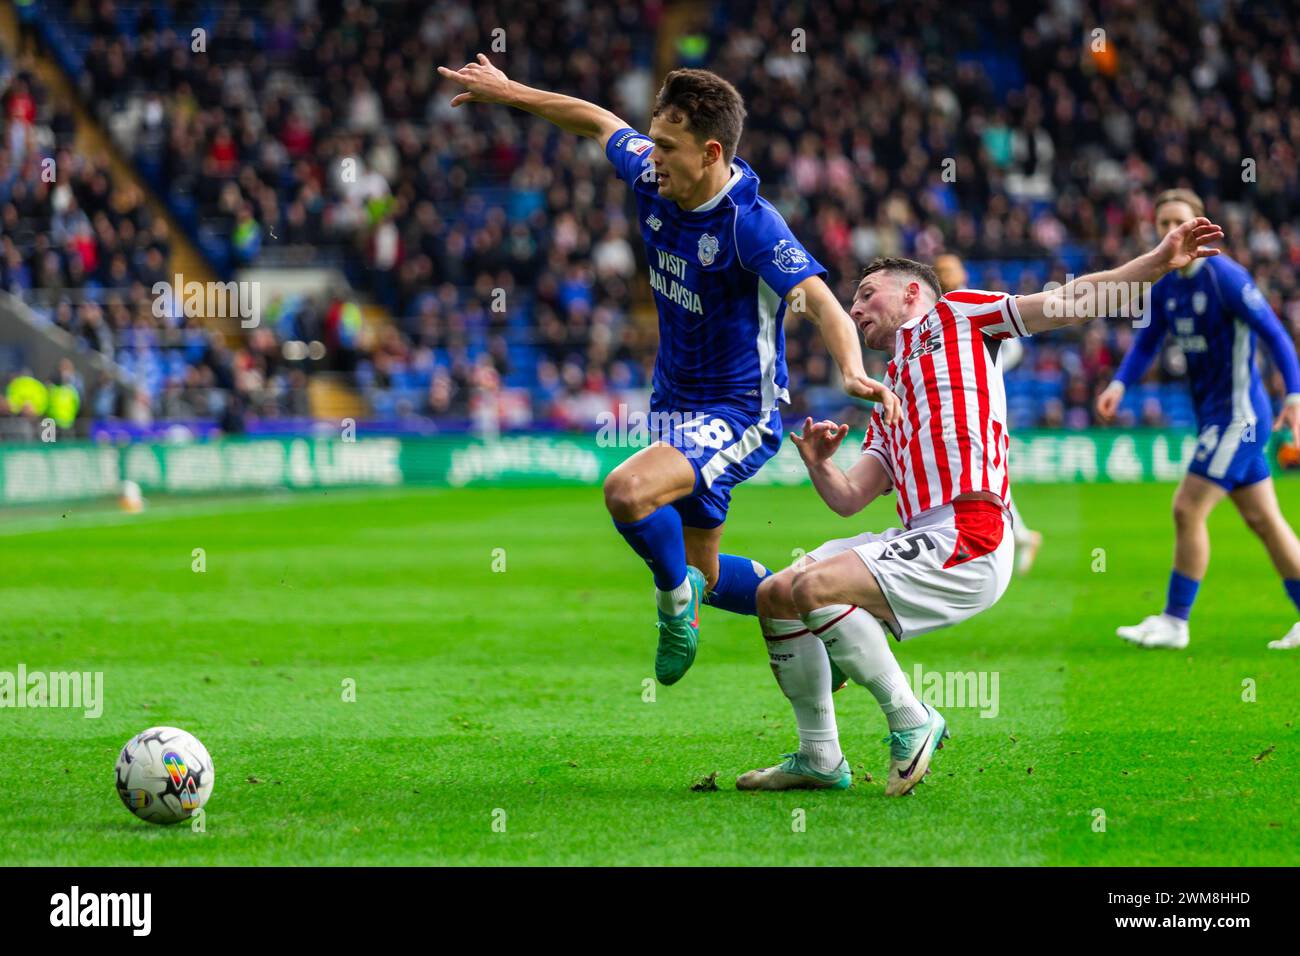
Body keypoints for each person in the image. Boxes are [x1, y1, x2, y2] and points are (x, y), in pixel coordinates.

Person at [437, 56, 898, 684]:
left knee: (627, 492)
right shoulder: (653, 175)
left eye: (666, 147)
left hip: (740, 412)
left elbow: (821, 303)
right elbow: (598, 122)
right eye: (652, 140)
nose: (651, 157)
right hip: (673, 406)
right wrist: (509, 90)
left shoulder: (750, 225)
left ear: (711, 153)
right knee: (708, 574)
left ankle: (673, 601)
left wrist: (850, 370)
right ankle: (827, 617)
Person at [737, 213, 1225, 795]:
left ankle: (910, 718)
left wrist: (1157, 262)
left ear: (912, 292)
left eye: (867, 294)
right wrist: (820, 464)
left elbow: (1069, 302)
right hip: (923, 534)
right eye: (854, 300)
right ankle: (820, 755)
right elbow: (849, 499)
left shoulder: (959, 314)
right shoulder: (889, 392)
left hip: (971, 531)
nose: (856, 308)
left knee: (814, 588)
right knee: (776, 594)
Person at [1096, 189, 1300, 650]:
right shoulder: (1166, 284)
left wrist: (1294, 394)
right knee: (1265, 521)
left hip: (1239, 418)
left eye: (1180, 222)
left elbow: (1275, 335)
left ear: (1201, 227)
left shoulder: (1225, 278)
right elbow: (1147, 342)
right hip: (1214, 418)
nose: (1172, 230)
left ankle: (1175, 621)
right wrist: (1119, 384)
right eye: (1163, 223)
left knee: (1187, 509)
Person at [935, 252, 1043, 573]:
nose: (944, 274)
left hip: (978, 404)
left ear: (962, 273)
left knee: (981, 471)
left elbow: (1014, 347)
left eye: (950, 268)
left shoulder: (972, 302)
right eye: (940, 269)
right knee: (977, 473)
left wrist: (981, 370)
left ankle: (1001, 537)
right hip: (950, 406)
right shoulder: (935, 309)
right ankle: (1016, 535)